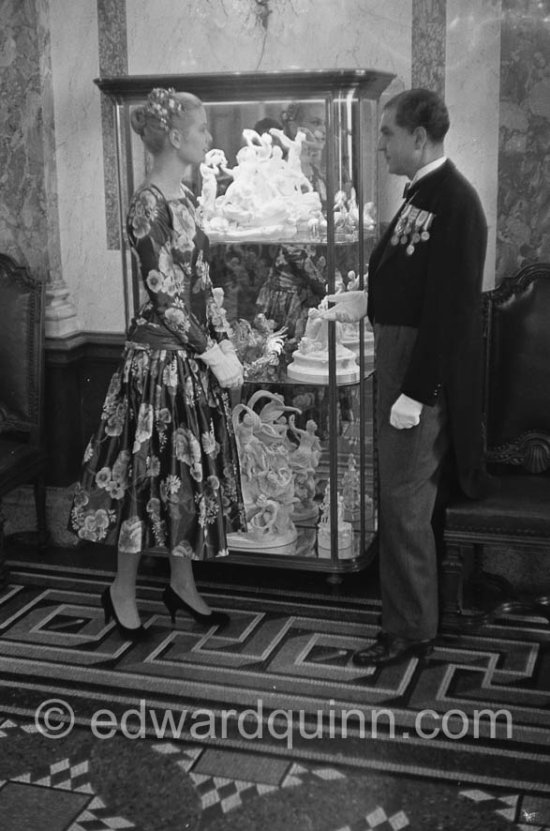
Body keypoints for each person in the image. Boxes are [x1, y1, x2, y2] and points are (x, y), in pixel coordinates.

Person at [69, 87, 246, 639]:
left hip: (189, 360)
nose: (209, 138)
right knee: (142, 476)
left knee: (182, 476)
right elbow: (163, 293)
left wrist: (223, 342)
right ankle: (121, 588)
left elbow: (201, 281)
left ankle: (181, 583)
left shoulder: (187, 199)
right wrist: (209, 349)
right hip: (156, 363)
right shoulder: (148, 203)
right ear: (175, 136)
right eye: (201, 130)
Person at [323, 88, 488, 666]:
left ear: (419, 137)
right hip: (398, 360)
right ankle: (407, 619)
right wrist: (365, 300)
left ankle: (411, 629)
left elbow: (449, 310)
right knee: (398, 501)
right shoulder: (423, 194)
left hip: (419, 376)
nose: (382, 144)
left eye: (389, 133)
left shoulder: (456, 202)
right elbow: (414, 286)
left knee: (404, 504)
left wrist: (416, 394)